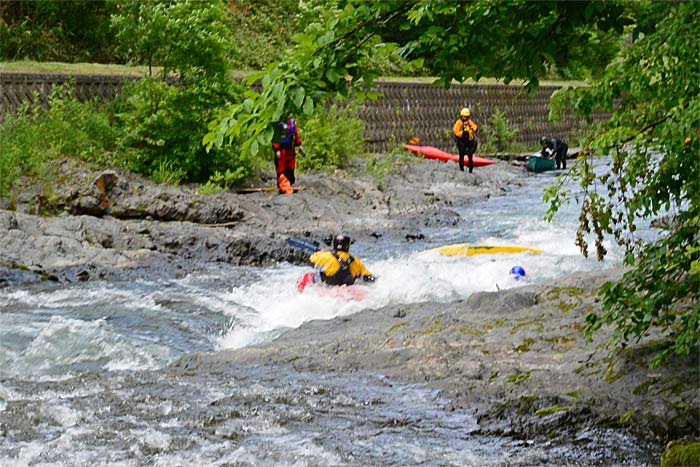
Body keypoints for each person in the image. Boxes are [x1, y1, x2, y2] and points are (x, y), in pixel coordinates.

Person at [308, 234, 376, 286]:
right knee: (357, 276)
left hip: (328, 285)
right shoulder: (355, 261)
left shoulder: (326, 255)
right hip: (345, 286)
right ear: (347, 246)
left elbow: (311, 258)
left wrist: (322, 252)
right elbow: (368, 276)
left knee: (315, 275)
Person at [272, 117, 305, 194]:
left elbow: (295, 134)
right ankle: (283, 187)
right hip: (281, 150)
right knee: (281, 170)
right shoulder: (278, 121)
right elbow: (274, 137)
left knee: (290, 169)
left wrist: (299, 145)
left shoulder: (292, 122)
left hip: (290, 150)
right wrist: (277, 149)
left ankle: (288, 185)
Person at [453, 107, 479, 173]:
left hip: (469, 141)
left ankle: (470, 170)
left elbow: (475, 128)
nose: (464, 118)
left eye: (466, 117)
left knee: (470, 156)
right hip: (461, 141)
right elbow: (456, 132)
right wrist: (463, 133)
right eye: (463, 116)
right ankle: (461, 169)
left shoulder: (469, 122)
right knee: (461, 156)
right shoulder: (459, 123)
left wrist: (472, 129)